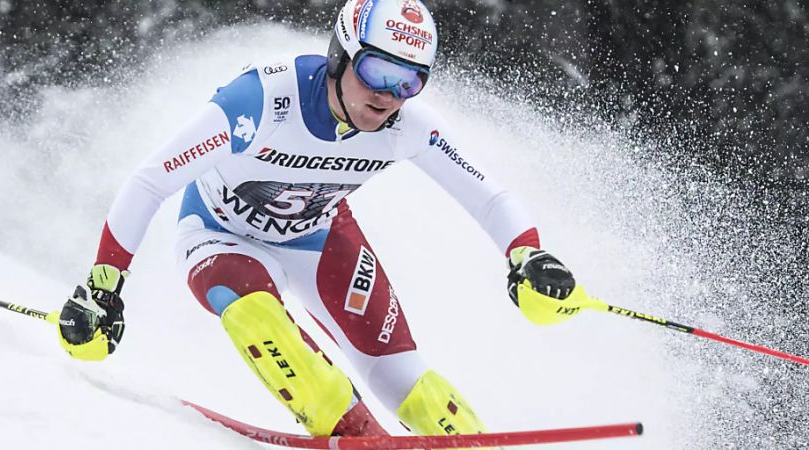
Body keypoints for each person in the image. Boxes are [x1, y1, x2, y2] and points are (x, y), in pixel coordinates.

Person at [56, 0, 579, 439]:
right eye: (377, 71)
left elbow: (489, 197)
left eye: (409, 82)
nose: (387, 97)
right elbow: (151, 181)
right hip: (218, 236)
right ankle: (355, 436)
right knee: (257, 316)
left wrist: (528, 255)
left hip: (317, 237)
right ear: (341, 54)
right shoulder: (260, 101)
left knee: (401, 374)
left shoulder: (407, 126)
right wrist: (104, 285)